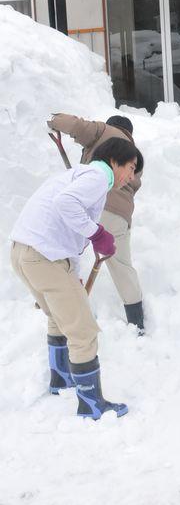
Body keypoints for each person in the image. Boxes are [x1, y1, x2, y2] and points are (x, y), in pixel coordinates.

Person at [10, 137, 143, 420]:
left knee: (59, 317)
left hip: (25, 253)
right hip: (42, 257)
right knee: (82, 330)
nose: (131, 176)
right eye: (130, 168)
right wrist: (97, 233)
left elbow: (66, 232)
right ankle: (91, 404)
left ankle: (61, 379)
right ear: (114, 160)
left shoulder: (79, 175)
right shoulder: (97, 177)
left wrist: (74, 274)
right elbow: (65, 204)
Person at [47, 112, 145, 334]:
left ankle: (63, 307)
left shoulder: (104, 131)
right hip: (119, 215)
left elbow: (75, 125)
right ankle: (137, 323)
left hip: (91, 205)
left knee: (68, 253)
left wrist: (51, 120)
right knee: (122, 265)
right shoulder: (134, 158)